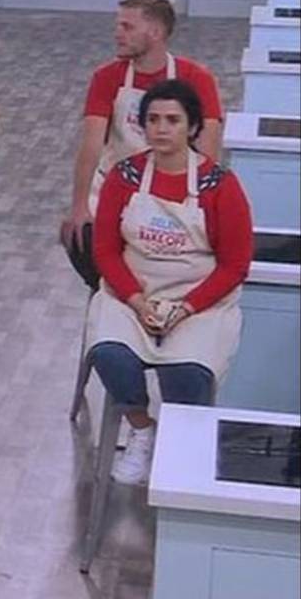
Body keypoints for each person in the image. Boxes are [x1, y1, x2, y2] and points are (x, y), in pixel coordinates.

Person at [87, 79, 251, 485]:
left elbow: (234, 265)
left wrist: (187, 307)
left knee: (188, 373)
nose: (161, 128)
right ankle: (142, 429)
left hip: (199, 301)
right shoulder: (123, 177)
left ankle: (181, 455)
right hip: (132, 295)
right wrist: (135, 299)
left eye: (173, 120)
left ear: (192, 127)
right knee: (109, 355)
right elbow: (105, 251)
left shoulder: (220, 185)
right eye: (153, 120)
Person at [62, 0, 225, 289]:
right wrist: (79, 206)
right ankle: (107, 293)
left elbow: (208, 154)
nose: (117, 33)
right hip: (116, 184)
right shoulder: (107, 77)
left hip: (171, 189)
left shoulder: (196, 78)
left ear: (156, 32)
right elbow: (91, 145)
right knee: (80, 237)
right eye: (118, 25)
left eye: (127, 27)